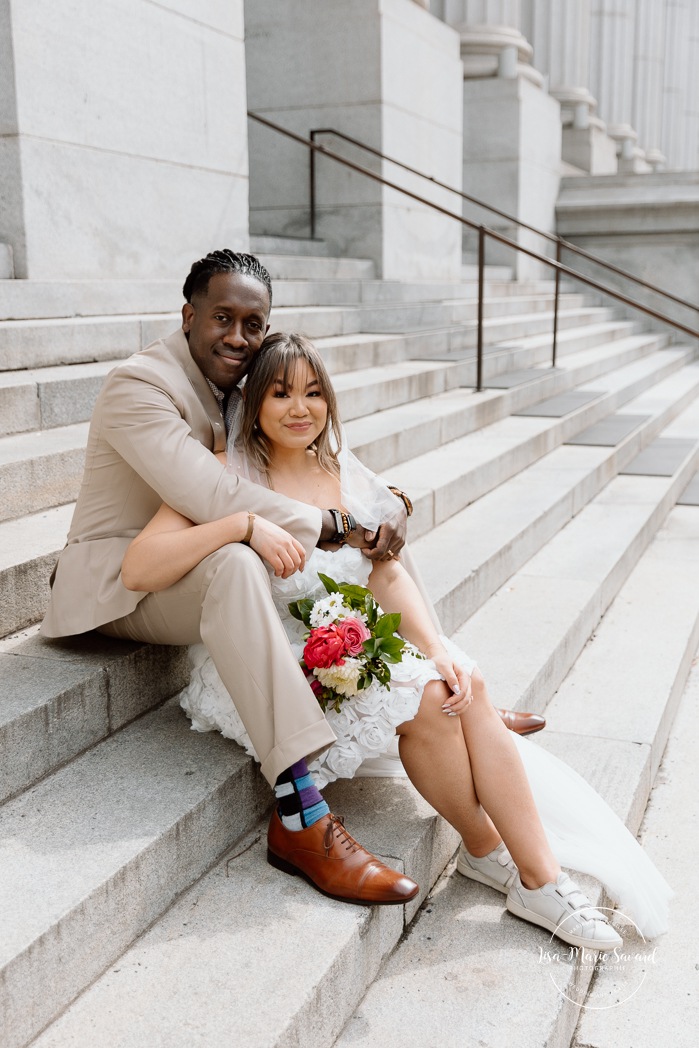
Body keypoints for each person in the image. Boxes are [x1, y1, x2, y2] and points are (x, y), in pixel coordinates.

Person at [122, 331, 671, 950]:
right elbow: (140, 566)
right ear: (252, 404)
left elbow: (383, 571)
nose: (300, 408)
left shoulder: (338, 471)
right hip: (274, 661)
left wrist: (436, 644)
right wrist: (241, 526)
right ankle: (510, 863)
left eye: (313, 393)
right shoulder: (226, 474)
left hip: (351, 639)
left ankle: (526, 873)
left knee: (462, 680)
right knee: (435, 697)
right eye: (279, 394)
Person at [40, 249, 541, 909]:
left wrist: (372, 511)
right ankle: (301, 811)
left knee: (371, 531)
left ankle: (434, 667)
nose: (240, 338)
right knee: (245, 555)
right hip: (126, 579)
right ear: (187, 315)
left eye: (254, 323)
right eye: (223, 318)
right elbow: (210, 491)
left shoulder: (238, 376)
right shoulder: (140, 385)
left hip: (200, 553)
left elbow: (303, 452)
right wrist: (336, 522)